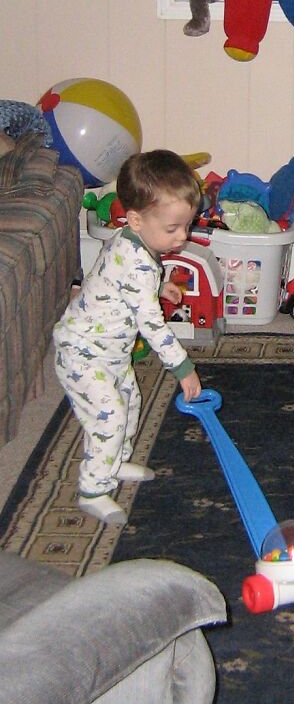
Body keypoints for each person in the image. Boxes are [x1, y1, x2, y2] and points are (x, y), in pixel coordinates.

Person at [54, 149, 203, 524]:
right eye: (172, 229)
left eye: (186, 226)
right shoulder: (134, 260)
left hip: (111, 351)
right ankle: (93, 488)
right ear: (136, 219)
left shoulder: (135, 244)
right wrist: (182, 368)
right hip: (82, 351)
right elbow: (152, 326)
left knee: (130, 401)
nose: (182, 237)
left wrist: (161, 288)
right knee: (109, 416)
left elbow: (131, 288)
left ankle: (115, 462)